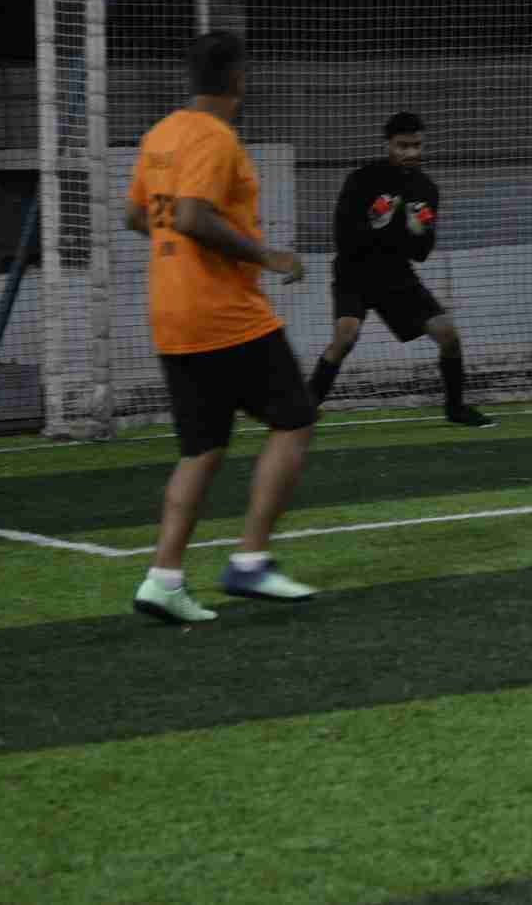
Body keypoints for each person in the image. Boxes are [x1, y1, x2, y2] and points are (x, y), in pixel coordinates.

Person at [125, 30, 319, 623]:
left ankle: (163, 578)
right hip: (224, 313)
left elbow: (137, 215)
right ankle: (250, 560)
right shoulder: (215, 136)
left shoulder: (161, 133)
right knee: (295, 419)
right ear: (238, 76)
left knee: (202, 449)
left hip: (171, 312)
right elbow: (191, 216)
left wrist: (178, 249)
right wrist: (266, 256)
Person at [306, 111, 495, 428]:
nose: (410, 152)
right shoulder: (363, 179)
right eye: (402, 146)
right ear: (388, 145)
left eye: (416, 145)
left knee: (448, 335)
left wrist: (418, 231)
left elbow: (421, 254)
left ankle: (456, 408)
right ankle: (305, 407)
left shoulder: (426, 189)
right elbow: (342, 238)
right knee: (345, 336)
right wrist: (373, 223)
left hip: (396, 275)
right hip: (354, 271)